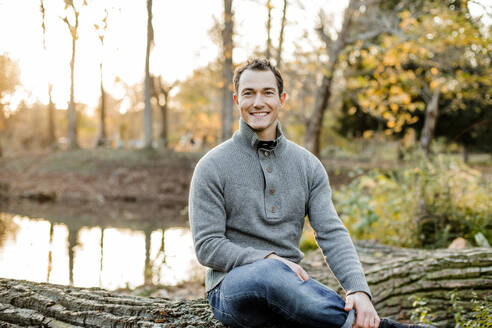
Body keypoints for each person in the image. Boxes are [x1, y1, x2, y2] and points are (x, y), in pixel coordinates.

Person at [189, 57, 430, 328]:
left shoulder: (307, 165)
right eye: (249, 93)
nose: (258, 102)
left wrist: (358, 290)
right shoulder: (212, 166)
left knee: (285, 283)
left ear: (281, 99)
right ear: (237, 100)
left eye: (267, 93)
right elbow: (207, 246)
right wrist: (268, 259)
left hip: (292, 289)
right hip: (231, 290)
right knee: (270, 273)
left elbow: (331, 233)